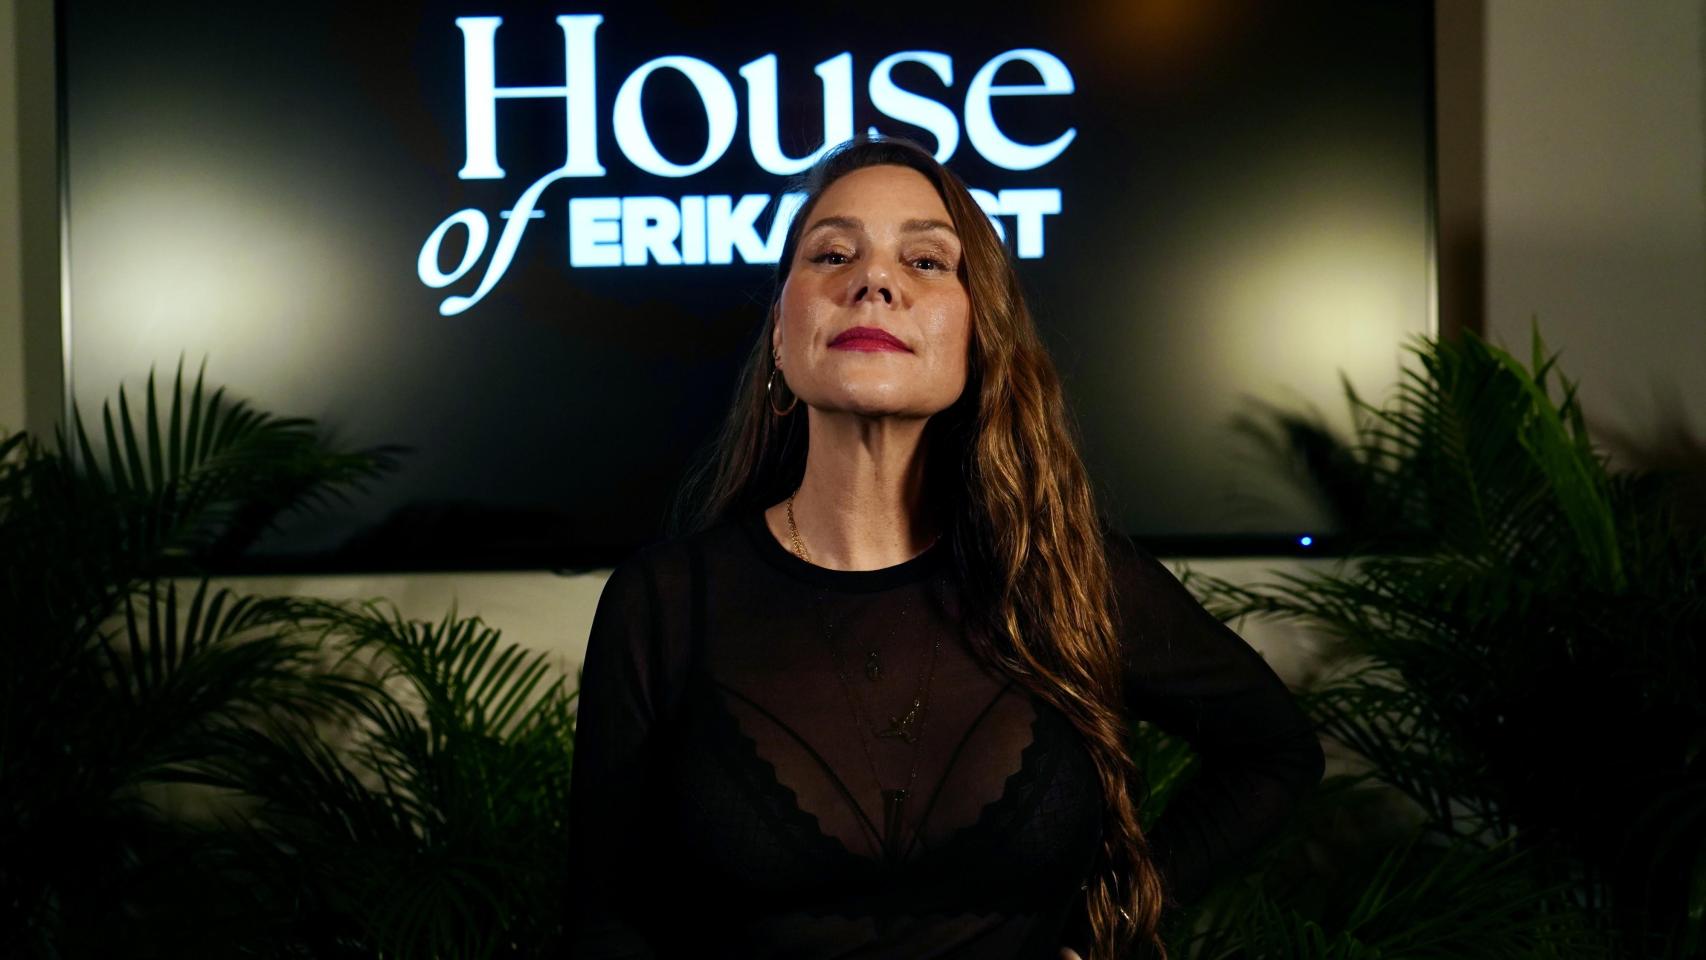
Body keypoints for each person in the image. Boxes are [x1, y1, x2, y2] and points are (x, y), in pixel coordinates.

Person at [564, 135, 1325, 960]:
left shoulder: (1067, 575)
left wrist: (1105, 933)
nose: (874, 281)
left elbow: (1273, 753)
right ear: (781, 335)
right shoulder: (665, 603)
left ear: (977, 337)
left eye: (926, 261)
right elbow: (604, 923)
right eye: (832, 254)